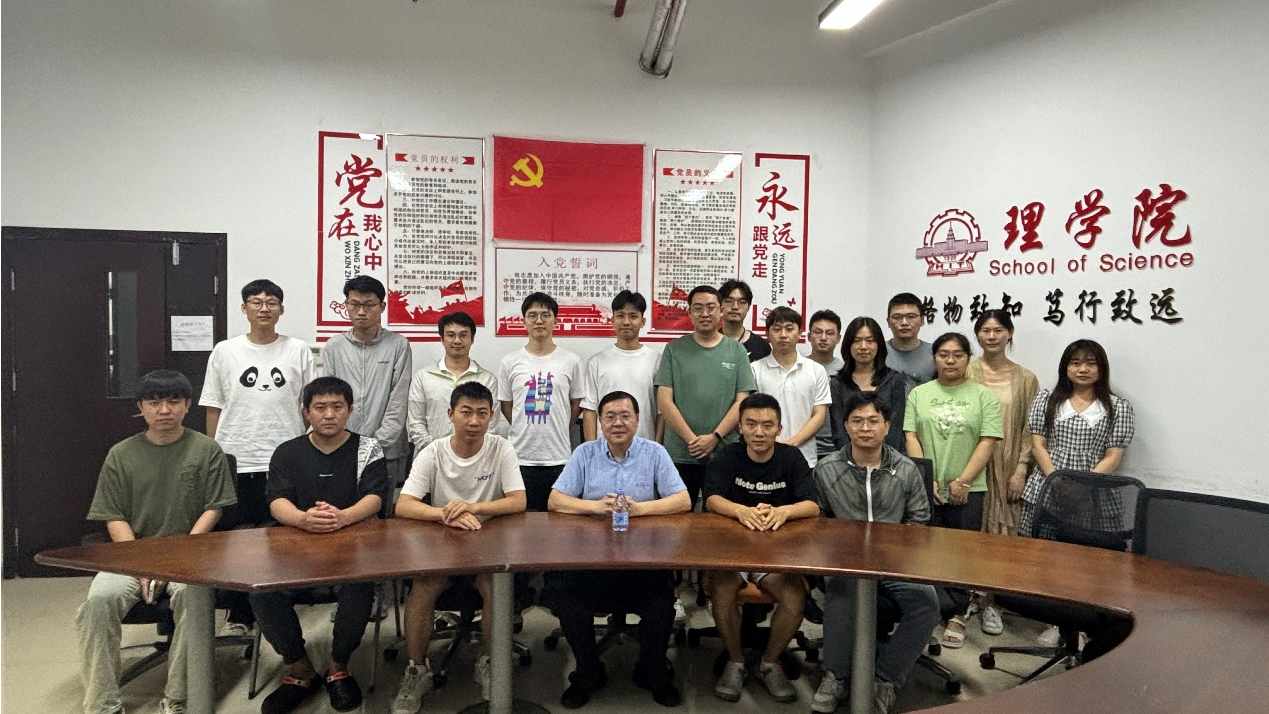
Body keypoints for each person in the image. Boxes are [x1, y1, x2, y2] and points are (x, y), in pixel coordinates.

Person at [78, 370, 237, 714]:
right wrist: (142, 565)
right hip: (132, 555)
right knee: (99, 601)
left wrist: (172, 562)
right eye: (154, 402)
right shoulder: (120, 454)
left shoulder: (207, 450)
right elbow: (113, 515)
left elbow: (214, 509)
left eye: (173, 401)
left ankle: (178, 697)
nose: (164, 410)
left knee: (193, 599)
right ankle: (103, 704)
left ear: (187, 405)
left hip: (189, 556)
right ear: (141, 408)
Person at [249, 377, 388, 714]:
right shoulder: (287, 452)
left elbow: (376, 497)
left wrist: (343, 517)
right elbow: (276, 501)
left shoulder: (368, 449)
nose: (329, 414)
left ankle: (338, 666)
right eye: (320, 407)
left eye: (337, 407)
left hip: (352, 546)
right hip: (296, 547)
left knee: (359, 586)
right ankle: (299, 669)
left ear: (350, 410)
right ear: (306, 413)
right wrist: (302, 519)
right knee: (262, 591)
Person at [546, 391, 691, 709]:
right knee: (568, 601)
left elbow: (683, 500)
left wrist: (640, 510)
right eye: (610, 416)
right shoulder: (585, 453)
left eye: (625, 415)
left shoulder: (654, 453)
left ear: (637, 420)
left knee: (661, 606)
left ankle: (651, 671)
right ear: (600, 422)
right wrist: (594, 506)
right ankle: (588, 672)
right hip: (592, 560)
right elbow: (555, 500)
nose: (618, 423)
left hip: (643, 559)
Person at [391, 382, 527, 713]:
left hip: (489, 544)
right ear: (451, 414)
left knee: (495, 586)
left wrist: (474, 507)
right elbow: (404, 505)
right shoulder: (433, 452)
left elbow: (518, 501)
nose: (474, 421)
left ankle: (490, 662)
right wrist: (444, 515)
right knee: (423, 587)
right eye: (466, 412)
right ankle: (416, 670)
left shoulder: (501, 449)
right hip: (443, 544)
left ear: (491, 416)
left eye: (482, 413)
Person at [812, 391, 939, 714]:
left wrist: (897, 554)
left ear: (887, 426)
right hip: (845, 561)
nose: (865, 428)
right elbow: (818, 522)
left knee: (926, 603)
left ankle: (887, 678)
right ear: (845, 426)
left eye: (873, 421)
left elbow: (919, 521)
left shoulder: (906, 469)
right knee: (841, 599)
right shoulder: (827, 469)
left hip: (895, 562)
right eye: (857, 421)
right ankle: (836, 676)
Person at [199, 278, 313, 634]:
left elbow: (310, 405)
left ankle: (279, 609)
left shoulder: (298, 350)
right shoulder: (225, 351)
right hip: (237, 456)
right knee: (236, 540)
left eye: (271, 302)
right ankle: (240, 613)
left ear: (282, 309)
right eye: (256, 301)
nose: (264, 308)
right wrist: (214, 454)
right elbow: (214, 405)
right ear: (244, 308)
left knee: (282, 538)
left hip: (285, 460)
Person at [703, 393, 820, 704]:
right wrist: (740, 511)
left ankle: (770, 662)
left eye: (768, 425)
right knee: (723, 589)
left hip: (776, 554)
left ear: (779, 428)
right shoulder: (728, 456)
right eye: (751, 424)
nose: (759, 432)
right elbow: (712, 499)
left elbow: (812, 505)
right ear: (740, 427)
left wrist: (785, 512)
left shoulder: (791, 458)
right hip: (732, 551)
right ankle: (736, 661)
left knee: (794, 596)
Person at [1021, 339, 1135, 647]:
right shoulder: (1048, 399)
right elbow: (1038, 445)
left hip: (1094, 492)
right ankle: (1055, 622)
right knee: (1045, 558)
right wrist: (1056, 480)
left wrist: (1084, 485)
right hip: (1048, 485)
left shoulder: (1117, 407)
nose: (1082, 369)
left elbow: (1114, 455)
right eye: (1075, 363)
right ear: (1066, 368)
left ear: (1101, 368)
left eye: (1090, 363)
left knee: (1087, 563)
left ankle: (1083, 623)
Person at [903, 333, 1002, 649]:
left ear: (967, 358)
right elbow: (911, 435)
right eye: (943, 354)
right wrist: (926, 477)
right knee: (924, 551)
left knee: (961, 553)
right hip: (926, 486)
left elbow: (988, 440)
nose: (950, 360)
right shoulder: (919, 393)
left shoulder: (983, 396)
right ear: (934, 358)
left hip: (969, 487)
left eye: (957, 355)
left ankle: (957, 613)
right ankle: (929, 611)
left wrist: (964, 481)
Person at [655, 285, 756, 507]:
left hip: (724, 451)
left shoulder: (737, 351)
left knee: (723, 517)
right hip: (681, 453)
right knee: (676, 517)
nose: (705, 313)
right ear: (689, 313)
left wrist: (715, 437)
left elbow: (742, 401)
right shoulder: (674, 349)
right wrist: (693, 441)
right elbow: (664, 400)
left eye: (711, 307)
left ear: (721, 311)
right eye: (698, 308)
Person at [322, 275, 413, 486]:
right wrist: (343, 441)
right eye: (355, 304)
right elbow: (329, 399)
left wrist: (377, 444)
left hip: (387, 451)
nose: (361, 311)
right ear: (346, 305)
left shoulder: (398, 345)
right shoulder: (335, 346)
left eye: (369, 305)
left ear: (382, 306)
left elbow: (398, 401)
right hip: (342, 448)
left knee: (383, 505)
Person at [497, 292, 582, 512]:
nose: (539, 321)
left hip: (559, 457)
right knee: (521, 520)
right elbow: (506, 405)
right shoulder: (510, 361)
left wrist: (561, 425)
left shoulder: (571, 360)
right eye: (532, 315)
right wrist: (522, 424)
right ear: (523, 321)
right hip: (520, 457)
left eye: (545, 315)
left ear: (555, 321)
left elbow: (576, 403)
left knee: (559, 520)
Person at [967, 310, 1039, 538]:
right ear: (977, 335)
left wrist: (1021, 470)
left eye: (998, 330)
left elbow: (1031, 428)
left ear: (1010, 334)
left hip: (1010, 465)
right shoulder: (965, 372)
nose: (992, 336)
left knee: (1009, 537)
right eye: (985, 330)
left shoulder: (1026, 378)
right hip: (972, 463)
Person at [407, 311, 500, 452]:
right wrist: (439, 453)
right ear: (442, 339)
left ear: (472, 339)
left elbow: (490, 426)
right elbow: (415, 424)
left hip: (475, 458)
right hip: (431, 457)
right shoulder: (423, 377)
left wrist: (468, 453)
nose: (457, 341)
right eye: (451, 335)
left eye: (463, 335)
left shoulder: (487, 380)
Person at [750, 307, 831, 467]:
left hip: (804, 458)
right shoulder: (754, 370)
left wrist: (791, 443)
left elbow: (819, 416)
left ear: (800, 333)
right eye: (777, 329)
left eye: (789, 329)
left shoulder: (816, 370)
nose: (783, 335)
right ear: (767, 334)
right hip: (763, 457)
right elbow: (752, 415)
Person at [580, 290, 662, 442]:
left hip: (644, 446)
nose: (626, 322)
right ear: (612, 320)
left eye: (633, 316)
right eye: (620, 316)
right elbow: (589, 410)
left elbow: (660, 411)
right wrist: (592, 449)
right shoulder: (597, 362)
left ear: (642, 321)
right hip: (605, 448)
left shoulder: (656, 360)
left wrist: (656, 447)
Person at [829, 316, 912, 455]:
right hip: (848, 459)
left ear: (879, 345)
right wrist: (854, 458)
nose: (863, 347)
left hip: (888, 459)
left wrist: (880, 459)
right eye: (856, 341)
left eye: (870, 340)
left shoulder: (894, 380)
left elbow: (895, 430)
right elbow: (838, 431)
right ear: (848, 345)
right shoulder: (838, 383)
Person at [806, 309, 845, 461]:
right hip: (804, 443)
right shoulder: (799, 368)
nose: (823, 338)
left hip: (837, 448)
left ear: (838, 338)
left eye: (829, 333)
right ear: (809, 336)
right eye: (818, 332)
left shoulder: (845, 371)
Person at [883, 293, 936, 383]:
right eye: (897, 317)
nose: (904, 323)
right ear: (888, 322)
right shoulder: (877, 352)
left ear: (922, 321)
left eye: (911, 316)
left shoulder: (936, 353)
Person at [719, 279, 771, 362]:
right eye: (729, 301)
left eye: (742, 302)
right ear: (719, 305)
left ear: (748, 307)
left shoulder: (761, 346)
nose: (735, 307)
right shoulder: (708, 342)